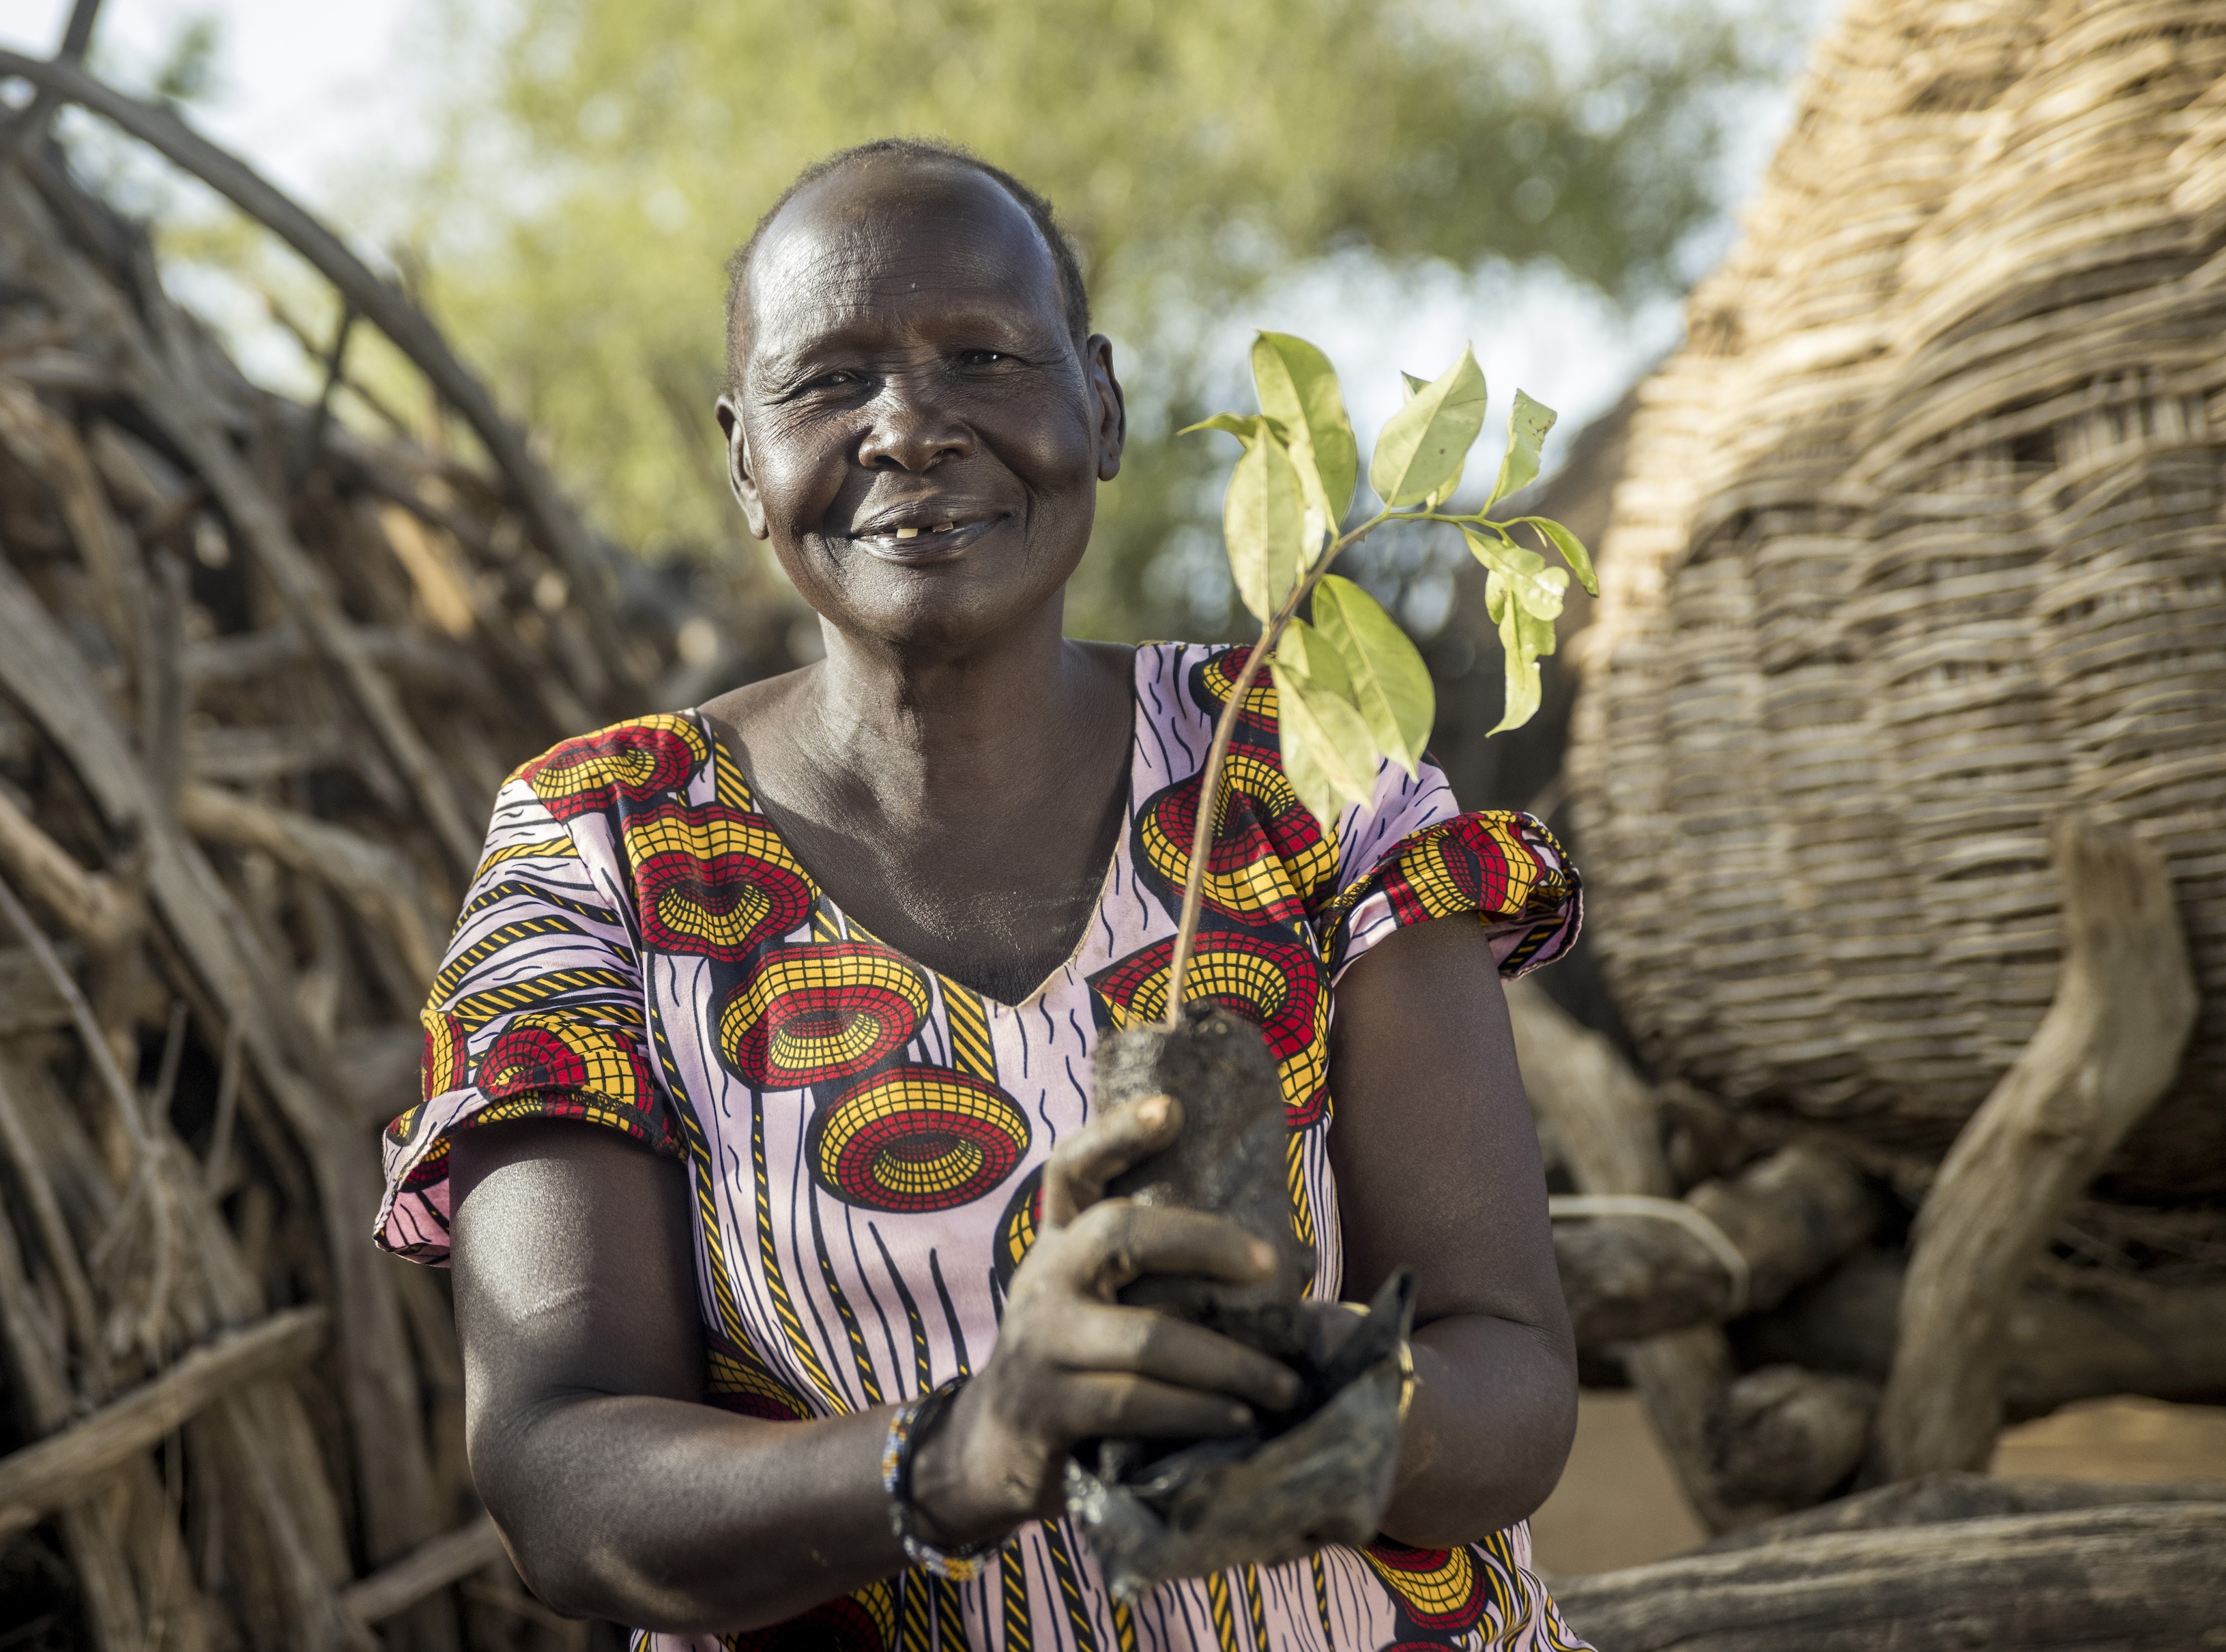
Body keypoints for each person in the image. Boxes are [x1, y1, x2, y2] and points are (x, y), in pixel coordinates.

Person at [375, 138, 1589, 1651]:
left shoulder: (1303, 774)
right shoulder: (606, 845)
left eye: (981, 356)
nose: (910, 427)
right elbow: (557, 1472)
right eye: (827, 381)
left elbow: (1515, 1378)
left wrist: (1269, 1398)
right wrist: (970, 1449)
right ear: (742, 458)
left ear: (1102, 404)